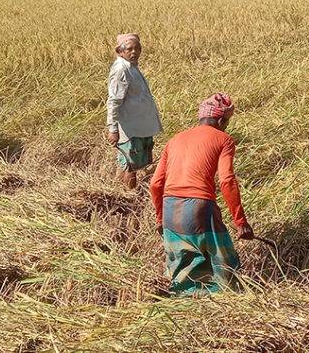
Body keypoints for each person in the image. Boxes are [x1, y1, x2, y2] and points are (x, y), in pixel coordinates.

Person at [149, 93, 254, 295]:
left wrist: (160, 218)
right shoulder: (224, 139)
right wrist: (240, 222)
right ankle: (225, 303)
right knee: (223, 262)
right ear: (222, 120)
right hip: (199, 207)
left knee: (180, 268)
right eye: (227, 122)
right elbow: (226, 180)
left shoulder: (175, 140)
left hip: (170, 207)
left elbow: (155, 184)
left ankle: (182, 308)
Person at [107, 33, 163, 189]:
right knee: (130, 165)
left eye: (137, 48)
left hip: (140, 126)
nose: (134, 52)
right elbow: (114, 101)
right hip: (130, 128)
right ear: (120, 51)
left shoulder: (131, 67)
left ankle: (118, 191)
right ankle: (129, 195)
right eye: (129, 49)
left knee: (129, 164)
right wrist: (112, 129)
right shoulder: (121, 70)